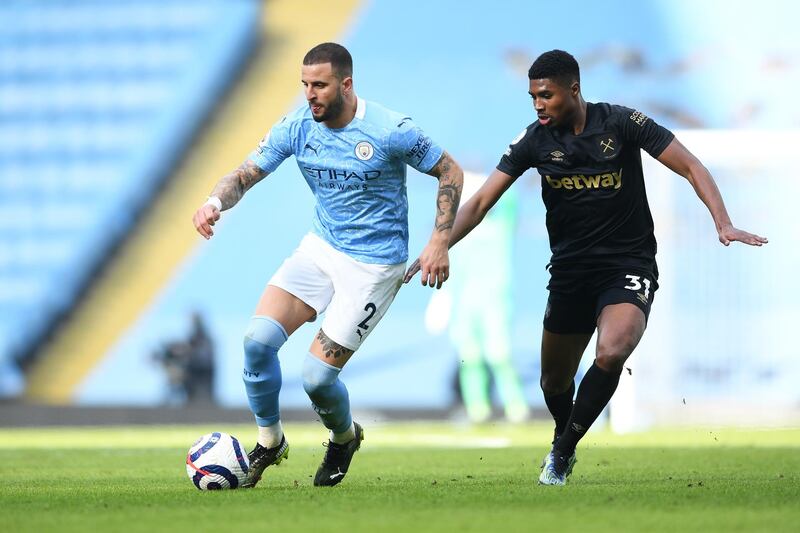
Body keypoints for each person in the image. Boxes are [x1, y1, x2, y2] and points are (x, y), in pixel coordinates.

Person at [405, 50, 766, 485]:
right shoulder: (533, 141)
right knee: (553, 383)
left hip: (628, 265)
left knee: (612, 350)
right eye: (532, 96)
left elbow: (691, 165)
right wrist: (438, 243)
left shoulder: (622, 123)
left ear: (574, 89)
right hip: (570, 272)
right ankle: (565, 434)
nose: (538, 105)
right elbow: (481, 202)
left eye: (546, 95)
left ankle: (562, 452)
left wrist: (722, 222)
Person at [191, 42, 462, 488]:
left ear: (346, 84)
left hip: (375, 266)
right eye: (305, 85)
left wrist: (439, 240)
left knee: (316, 379)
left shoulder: (390, 129)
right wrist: (214, 202)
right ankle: (269, 442)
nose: (310, 94)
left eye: (319, 85)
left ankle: (343, 438)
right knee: (257, 343)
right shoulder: (297, 127)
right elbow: (243, 174)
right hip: (321, 248)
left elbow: (449, 171)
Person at [424, 171, 529, 423]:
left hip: (496, 300)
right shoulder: (455, 233)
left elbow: (510, 197)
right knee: (469, 356)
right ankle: (477, 410)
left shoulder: (500, 224)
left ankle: (517, 409)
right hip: (463, 302)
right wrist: (441, 301)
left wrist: (483, 181)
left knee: (499, 353)